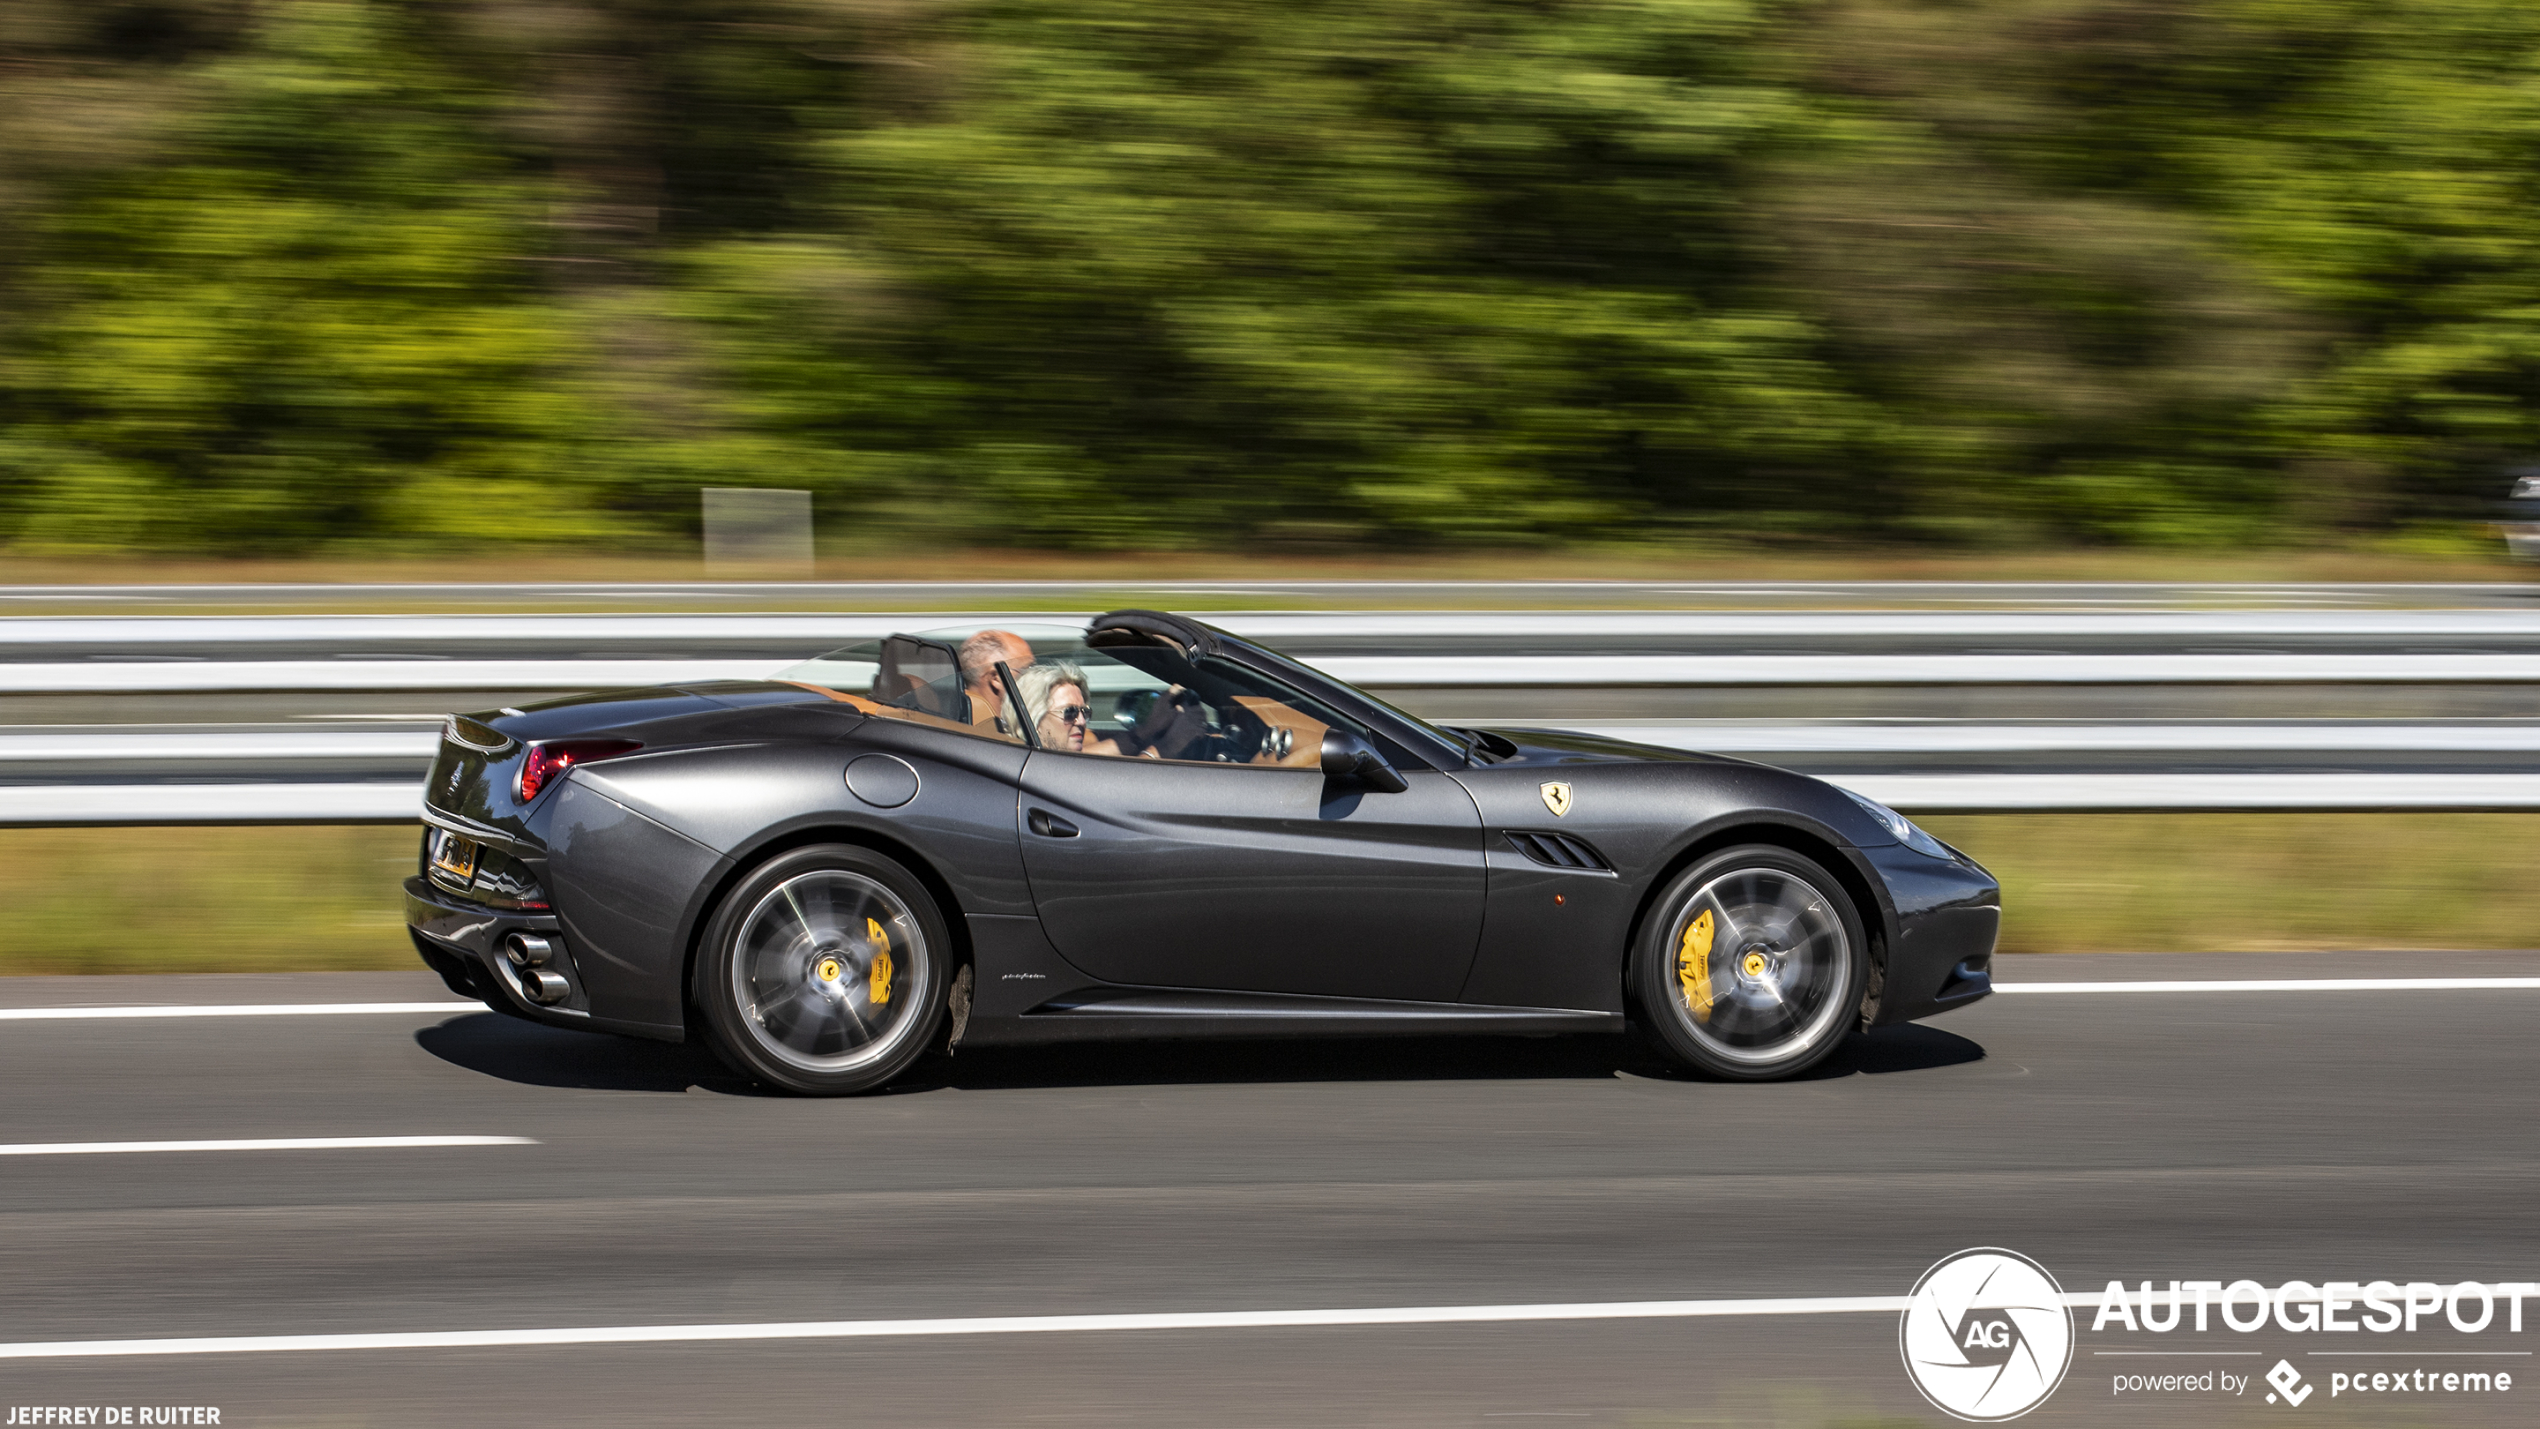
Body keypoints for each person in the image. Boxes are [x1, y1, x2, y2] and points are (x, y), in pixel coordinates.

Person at [956, 629, 1033, 735]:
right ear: (996, 678)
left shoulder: (954, 727)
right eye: (1026, 670)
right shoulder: (992, 738)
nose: (1034, 676)